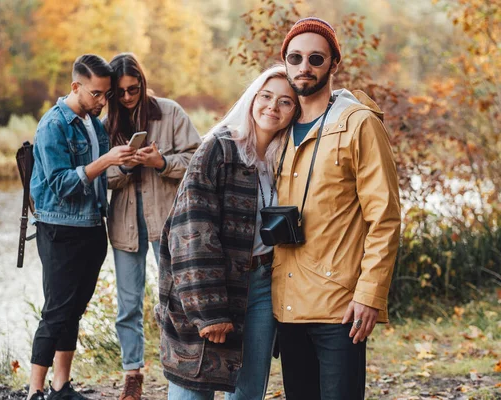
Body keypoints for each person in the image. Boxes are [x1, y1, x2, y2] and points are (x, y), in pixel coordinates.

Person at [274, 17, 402, 399]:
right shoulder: (277, 126)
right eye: (295, 58)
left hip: (339, 307)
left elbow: (385, 218)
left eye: (316, 58)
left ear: (334, 64)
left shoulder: (359, 123)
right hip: (286, 304)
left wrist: (369, 295)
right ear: (285, 62)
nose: (304, 67)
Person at [155, 65, 300, 399]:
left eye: (285, 102)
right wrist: (210, 310)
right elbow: (191, 230)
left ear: (295, 111)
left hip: (262, 286)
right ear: (252, 98)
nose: (272, 108)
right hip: (208, 289)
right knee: (193, 387)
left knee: (249, 390)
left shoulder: (285, 160)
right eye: (266, 96)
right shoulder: (218, 149)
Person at [27, 54, 136, 400]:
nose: (103, 102)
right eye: (96, 94)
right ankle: (35, 391)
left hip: (92, 226)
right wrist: (104, 160)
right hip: (59, 229)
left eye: (107, 95)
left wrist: (125, 163)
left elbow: (98, 179)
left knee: (74, 309)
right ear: (75, 86)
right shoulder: (53, 125)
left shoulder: (93, 122)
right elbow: (61, 184)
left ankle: (61, 386)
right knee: (56, 310)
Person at [104, 53, 201, 400]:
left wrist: (162, 162)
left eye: (133, 89)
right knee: (128, 304)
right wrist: (125, 167)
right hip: (126, 226)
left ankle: (183, 366)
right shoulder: (107, 123)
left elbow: (197, 160)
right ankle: (133, 373)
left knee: (177, 301)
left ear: (143, 83)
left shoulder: (171, 112)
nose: (128, 97)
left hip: (169, 223)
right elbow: (102, 179)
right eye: (120, 92)